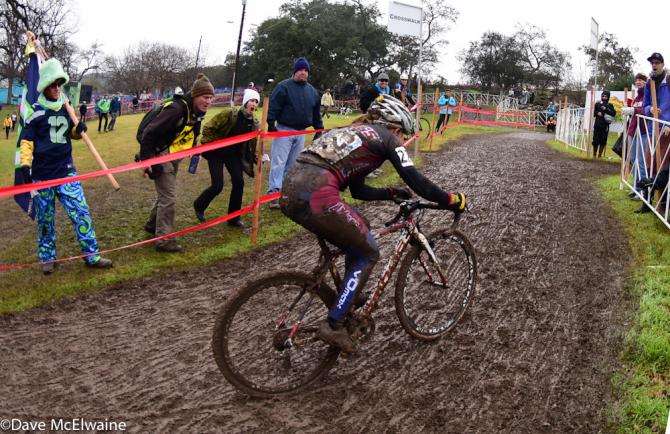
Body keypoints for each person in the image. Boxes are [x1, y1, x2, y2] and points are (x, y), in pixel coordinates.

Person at [279, 95, 467, 352]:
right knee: (369, 252)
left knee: (361, 226)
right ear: (395, 128)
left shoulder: (355, 134)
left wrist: (389, 192)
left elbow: (358, 190)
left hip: (291, 189)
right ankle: (333, 325)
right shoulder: (386, 138)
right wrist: (451, 200)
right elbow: (418, 182)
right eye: (403, 135)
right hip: (317, 194)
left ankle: (349, 295)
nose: (402, 140)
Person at [18, 58, 112, 274]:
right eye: (52, 85)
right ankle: (47, 258)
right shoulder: (35, 111)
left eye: (59, 84)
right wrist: (25, 163)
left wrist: (79, 129)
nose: (57, 88)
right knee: (45, 220)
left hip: (66, 172)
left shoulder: (65, 108)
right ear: (45, 86)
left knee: (81, 212)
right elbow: (27, 141)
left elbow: (72, 133)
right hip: (42, 176)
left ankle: (92, 255)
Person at [139, 73, 214, 252]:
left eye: (211, 98)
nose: (209, 101)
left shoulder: (197, 111)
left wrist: (193, 150)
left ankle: (152, 225)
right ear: (195, 95)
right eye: (205, 97)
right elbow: (149, 133)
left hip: (174, 155)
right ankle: (164, 240)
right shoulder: (176, 110)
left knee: (165, 195)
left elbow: (194, 130)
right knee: (169, 197)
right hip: (160, 155)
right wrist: (146, 159)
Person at [193, 88, 260, 227]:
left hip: (233, 155)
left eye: (256, 102)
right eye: (251, 101)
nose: (254, 104)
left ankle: (234, 217)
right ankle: (199, 205)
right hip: (216, 153)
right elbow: (208, 128)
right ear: (245, 102)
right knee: (217, 186)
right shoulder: (230, 114)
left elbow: (250, 144)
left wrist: (256, 157)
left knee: (239, 182)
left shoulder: (254, 123)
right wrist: (212, 144)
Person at [266, 57, 323, 208]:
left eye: (305, 70)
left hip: (301, 131)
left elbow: (316, 112)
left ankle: (285, 192)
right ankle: (274, 193)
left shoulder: (312, 91)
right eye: (300, 70)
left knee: (293, 165)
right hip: (284, 130)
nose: (303, 73)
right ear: (295, 71)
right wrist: (271, 122)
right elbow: (274, 105)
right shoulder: (283, 87)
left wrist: (319, 128)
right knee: (279, 162)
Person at [621, 73, 648, 200]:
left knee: (641, 162)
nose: (638, 82)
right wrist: (629, 108)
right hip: (632, 131)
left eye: (641, 80)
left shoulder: (648, 96)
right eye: (637, 80)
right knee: (633, 160)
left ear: (646, 82)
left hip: (643, 131)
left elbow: (647, 111)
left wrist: (634, 110)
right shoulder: (637, 97)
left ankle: (643, 192)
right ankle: (637, 187)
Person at [592, 90, 616, 159]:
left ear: (608, 97)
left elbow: (613, 113)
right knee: (595, 140)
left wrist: (606, 109)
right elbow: (594, 113)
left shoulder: (610, 105)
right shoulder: (597, 104)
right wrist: (597, 113)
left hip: (605, 126)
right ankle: (594, 155)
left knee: (603, 140)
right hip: (597, 124)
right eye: (603, 96)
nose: (604, 97)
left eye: (605, 96)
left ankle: (599, 155)